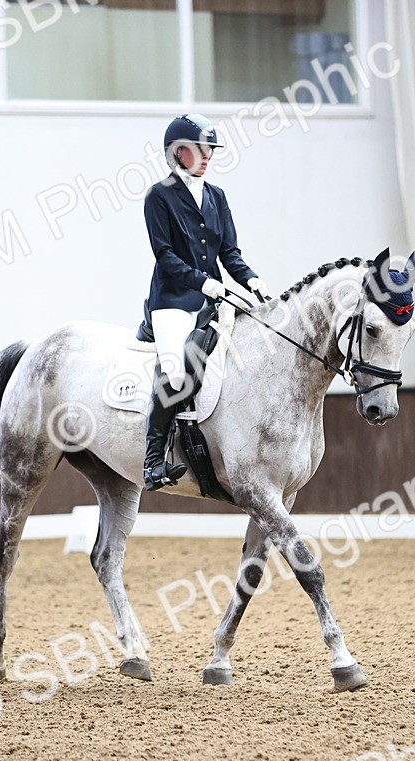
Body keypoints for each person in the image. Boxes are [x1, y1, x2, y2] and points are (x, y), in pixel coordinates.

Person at [139, 113, 268, 491]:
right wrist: (204, 282)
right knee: (176, 374)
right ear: (178, 153)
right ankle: (153, 461)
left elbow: (230, 253)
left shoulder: (217, 196)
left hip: (214, 299)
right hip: (173, 301)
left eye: (210, 149)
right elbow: (165, 255)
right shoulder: (159, 195)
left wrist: (251, 279)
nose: (208, 155)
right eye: (199, 149)